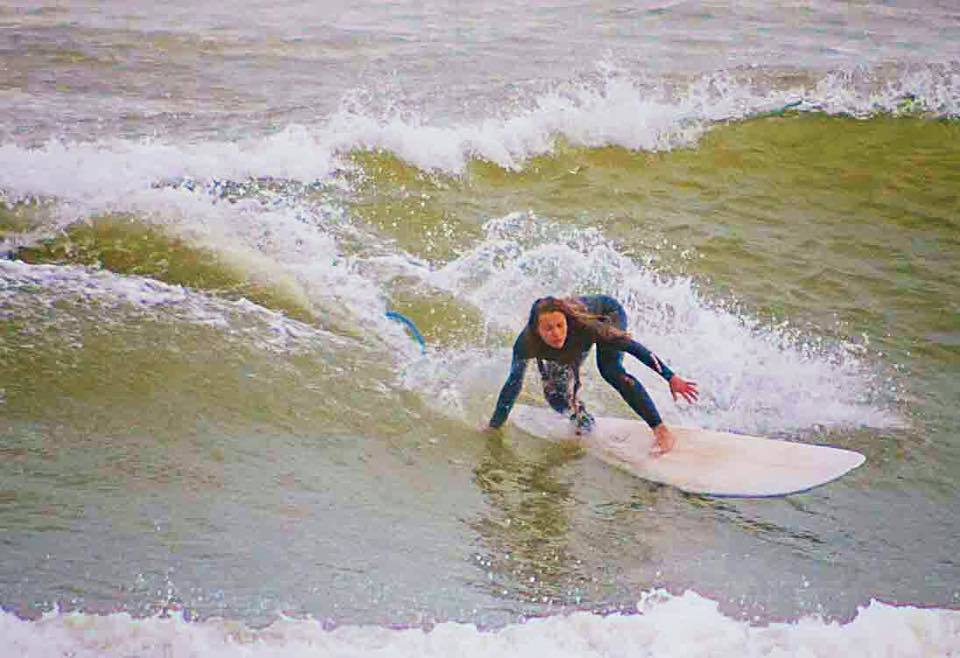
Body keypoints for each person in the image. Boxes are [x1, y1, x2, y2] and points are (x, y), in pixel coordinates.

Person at [487, 295, 698, 456]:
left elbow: (632, 347)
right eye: (548, 329)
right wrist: (494, 426)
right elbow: (513, 384)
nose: (557, 334)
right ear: (537, 331)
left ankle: (661, 431)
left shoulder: (585, 326)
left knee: (610, 370)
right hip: (578, 328)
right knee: (555, 396)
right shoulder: (526, 344)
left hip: (608, 314)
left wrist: (670, 377)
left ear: (567, 322)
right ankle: (584, 422)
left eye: (560, 326)